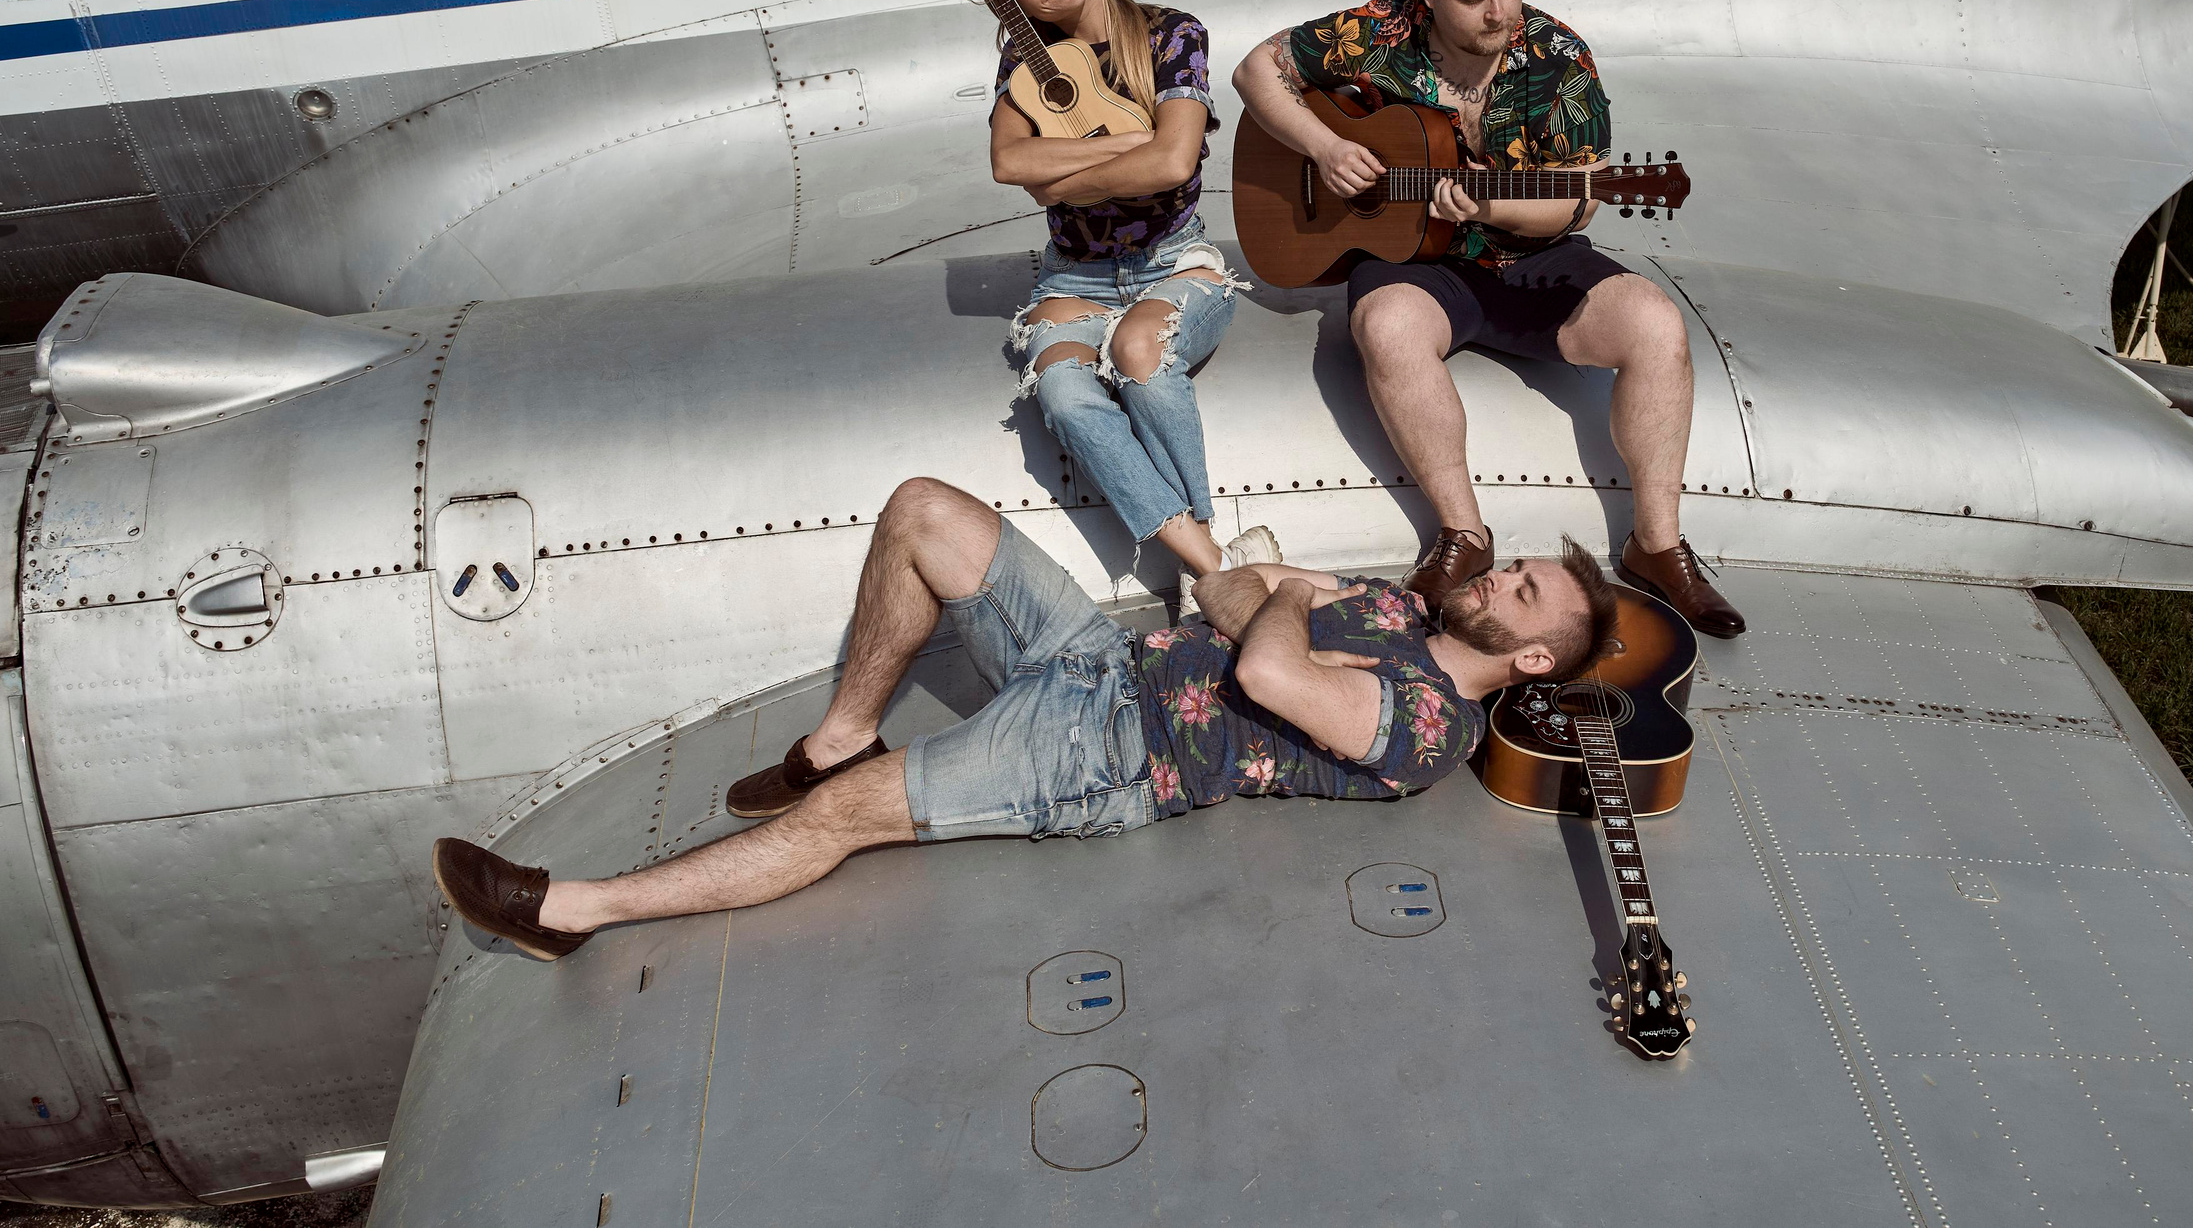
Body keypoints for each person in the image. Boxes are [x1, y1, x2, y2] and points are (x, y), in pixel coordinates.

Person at [429, 476, 1618, 959]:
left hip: (1110, 754)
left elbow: (1268, 676)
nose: (1496, 572)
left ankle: (574, 910)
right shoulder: (1397, 616)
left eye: (1520, 592)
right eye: (1513, 564)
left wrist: (1275, 604)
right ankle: (845, 727)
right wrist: (1271, 604)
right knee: (925, 511)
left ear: (1522, 654)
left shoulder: (1427, 727)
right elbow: (1229, 590)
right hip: (1103, 656)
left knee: (846, 822)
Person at [1231, 0, 1744, 637]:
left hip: (1532, 257)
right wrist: (1323, 148)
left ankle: (1656, 545)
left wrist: (1494, 207)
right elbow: (1256, 69)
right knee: (1384, 324)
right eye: (1474, 0)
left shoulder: (1560, 58)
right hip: (1418, 261)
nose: (1498, 11)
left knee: (1655, 322)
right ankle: (1464, 535)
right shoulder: (1382, 29)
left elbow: (1578, 202)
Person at [973, 0, 1277, 594]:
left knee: (1140, 351)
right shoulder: (1025, 59)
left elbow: (1171, 166)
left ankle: (1206, 558)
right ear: (1010, 3)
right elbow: (1007, 161)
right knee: (1063, 393)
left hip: (1174, 262)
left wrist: (1065, 175)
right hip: (1072, 278)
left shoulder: (1173, 33)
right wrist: (1123, 145)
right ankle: (1215, 565)